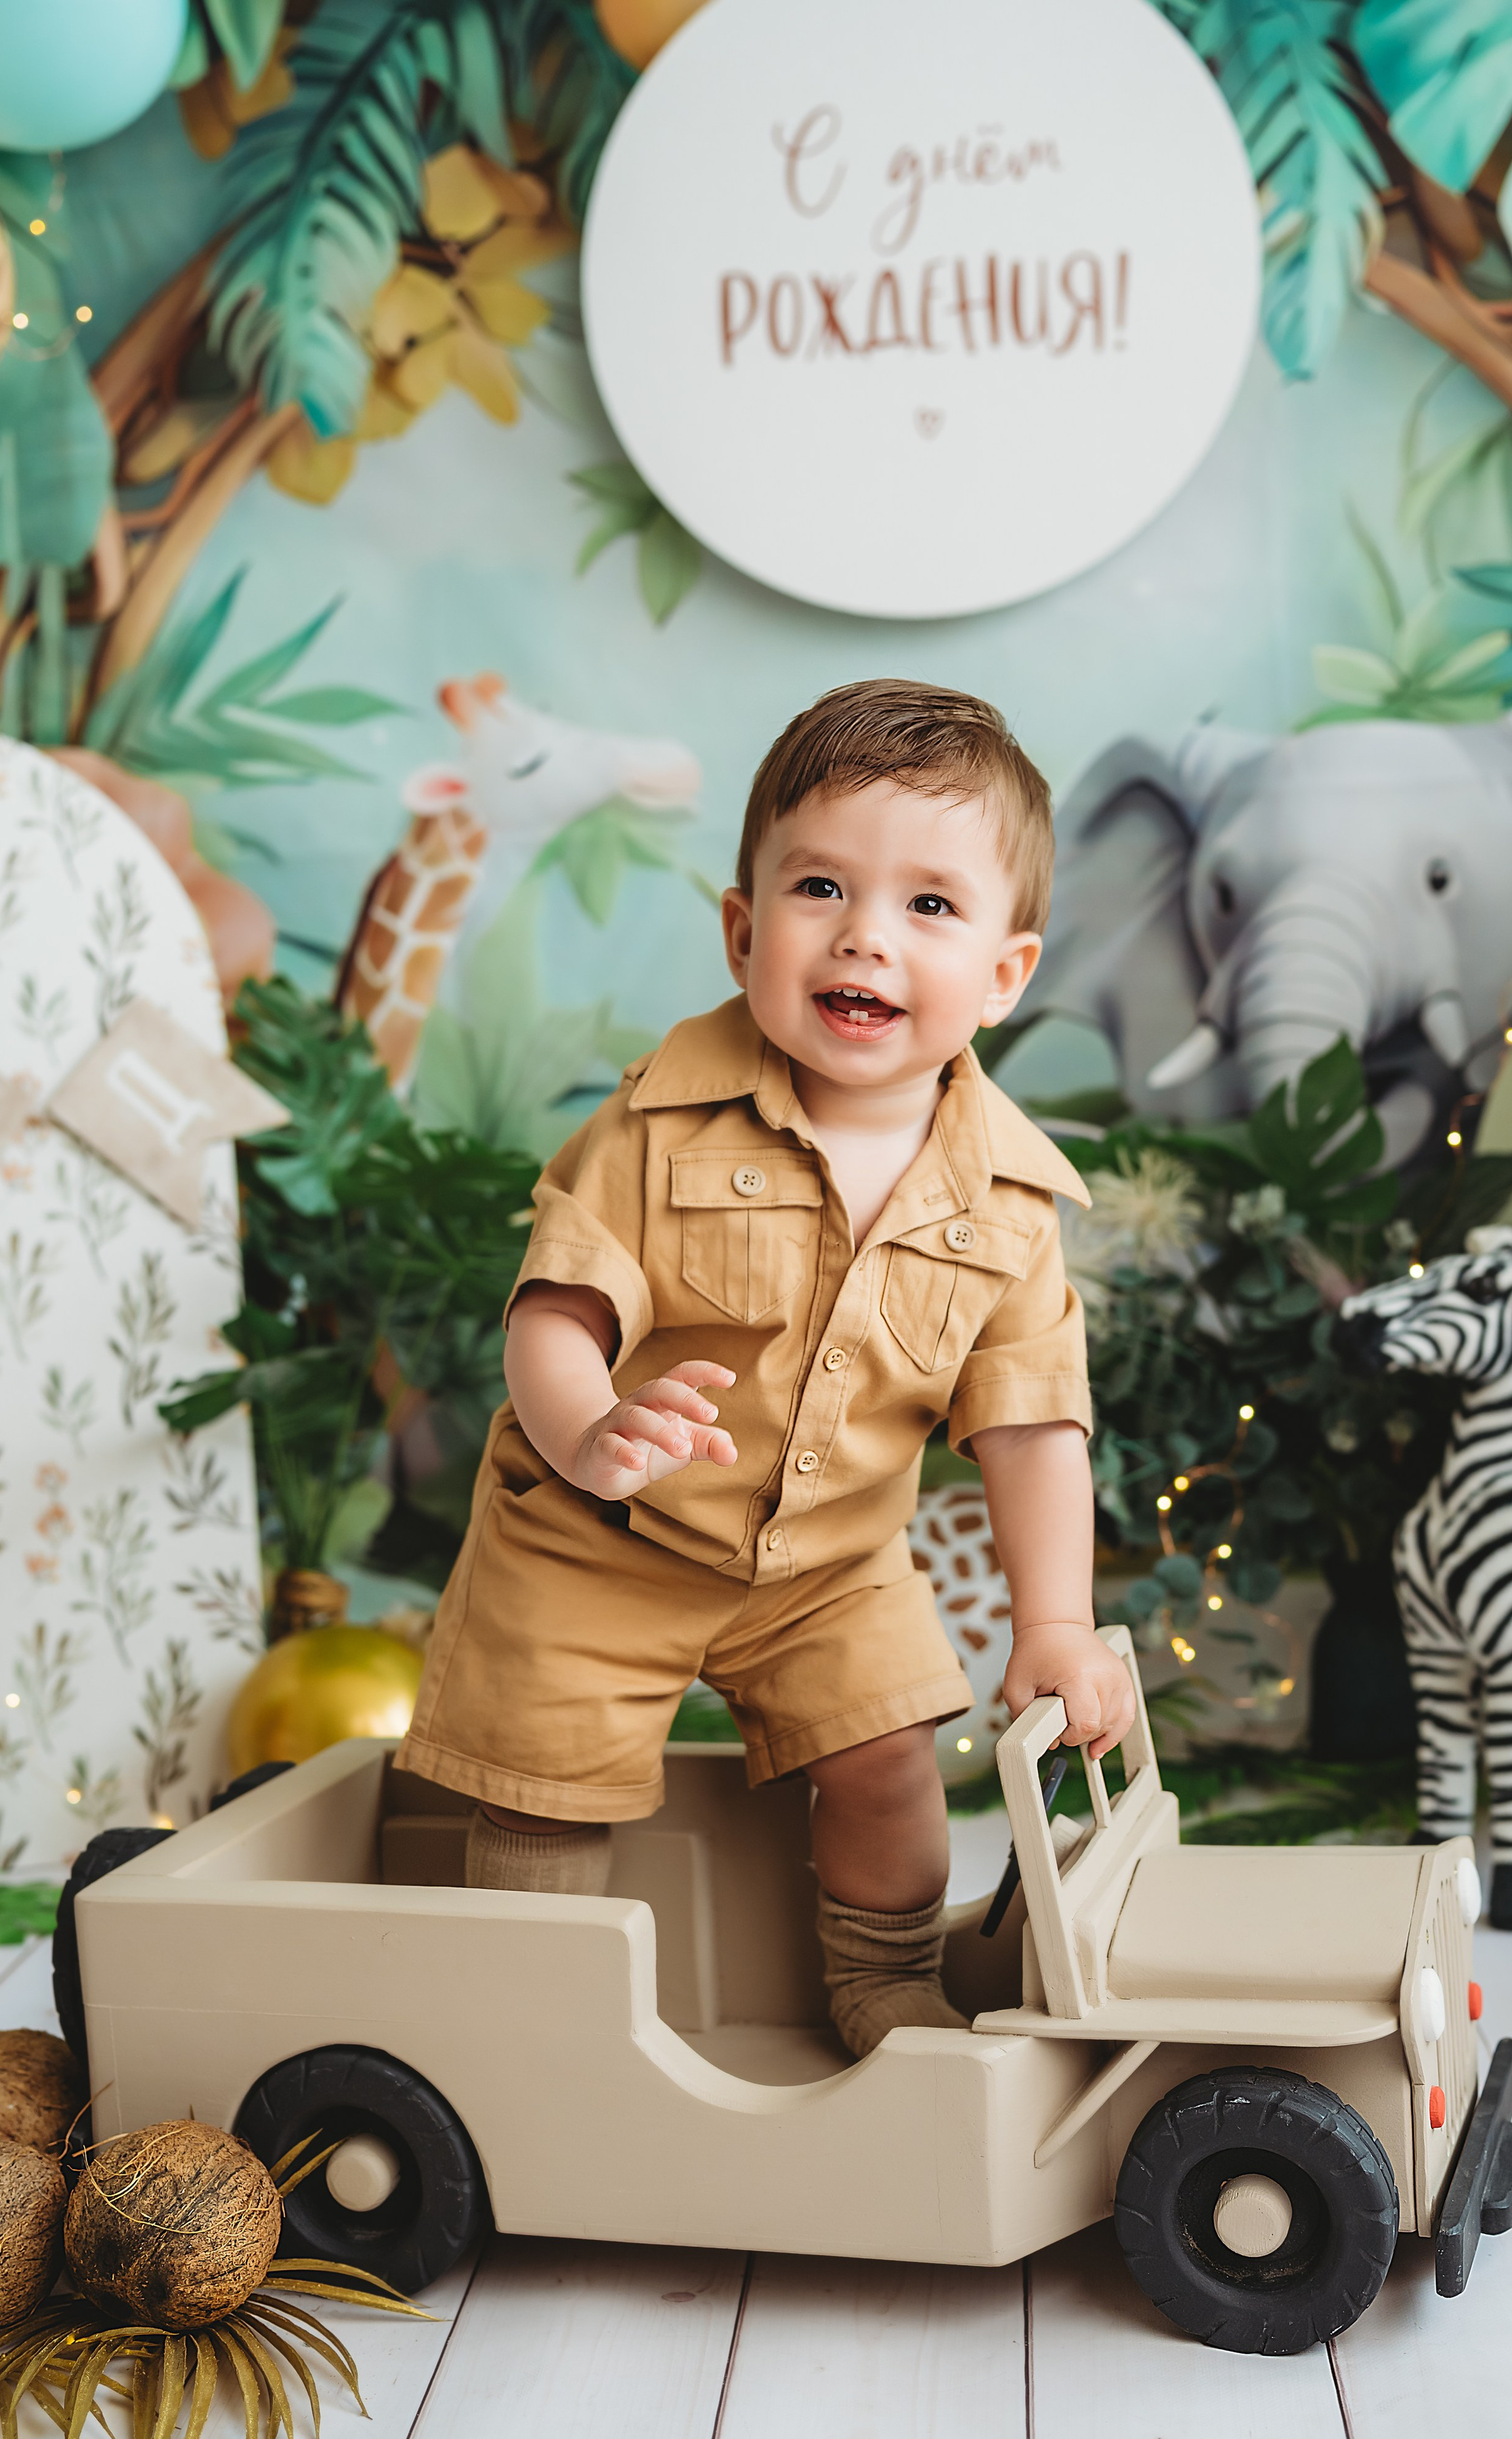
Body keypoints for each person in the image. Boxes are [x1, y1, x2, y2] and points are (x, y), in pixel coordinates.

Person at [395, 678, 1134, 2057]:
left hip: (829, 1567)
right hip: (596, 1539)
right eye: (817, 888)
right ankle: (519, 2030)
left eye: (928, 906)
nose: (863, 934)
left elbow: (1032, 1428)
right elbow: (555, 1311)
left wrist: (1051, 1626)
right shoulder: (658, 1120)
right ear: (743, 932)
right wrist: (589, 1426)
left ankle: (877, 1985)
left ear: (1003, 974)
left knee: (890, 1761)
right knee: (540, 1790)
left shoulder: (1012, 1204)